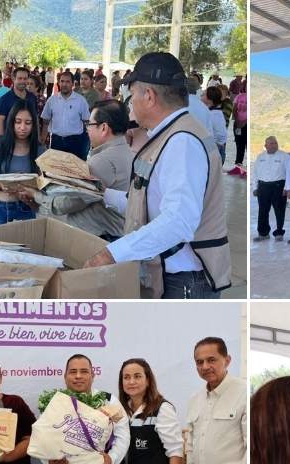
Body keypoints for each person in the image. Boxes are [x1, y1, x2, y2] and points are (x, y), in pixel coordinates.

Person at [82, 52, 232, 300]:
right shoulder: (170, 135)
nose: (129, 105)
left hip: (185, 284)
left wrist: (113, 253)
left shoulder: (181, 141)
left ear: (149, 96)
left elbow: (178, 221)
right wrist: (100, 192)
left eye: (131, 97)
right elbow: (147, 204)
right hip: (174, 278)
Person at [44, 99, 132, 241]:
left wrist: (39, 199)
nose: (87, 129)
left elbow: (73, 201)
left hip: (97, 238)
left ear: (103, 128)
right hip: (114, 234)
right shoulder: (128, 152)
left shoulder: (102, 161)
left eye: (89, 124)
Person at [0, 102, 45, 227]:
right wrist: (4, 185)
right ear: (11, 122)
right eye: (18, 122)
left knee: (25, 246)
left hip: (26, 209)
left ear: (34, 125)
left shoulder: (40, 150)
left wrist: (30, 195)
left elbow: (42, 187)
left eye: (28, 123)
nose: (22, 127)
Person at [39, 70, 90, 161]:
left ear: (72, 83)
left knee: (75, 171)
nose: (64, 84)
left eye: (67, 82)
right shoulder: (52, 100)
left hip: (76, 142)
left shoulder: (81, 101)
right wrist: (43, 139)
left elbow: (87, 121)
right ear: (58, 83)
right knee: (57, 171)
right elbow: (45, 121)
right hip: (56, 141)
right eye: (62, 81)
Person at [251, 135, 289, 242]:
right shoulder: (260, 157)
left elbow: (289, 173)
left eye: (275, 143)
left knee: (279, 210)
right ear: (265, 145)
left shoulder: (284, 156)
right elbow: (255, 173)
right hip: (263, 187)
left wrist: (287, 188)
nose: (273, 145)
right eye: (271, 143)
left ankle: (279, 232)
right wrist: (255, 187)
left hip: (278, 186)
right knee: (263, 211)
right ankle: (263, 233)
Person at [0, 67, 38, 137]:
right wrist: (2, 141)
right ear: (13, 79)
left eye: (25, 79)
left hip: (29, 140)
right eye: (20, 78)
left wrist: (37, 139)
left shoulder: (32, 98)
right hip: (10, 140)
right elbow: (0, 121)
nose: (22, 81)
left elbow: (35, 119)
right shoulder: (4, 99)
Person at [203, 85, 227, 163]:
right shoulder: (213, 112)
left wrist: (211, 148)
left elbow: (221, 135)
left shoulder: (213, 114)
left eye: (204, 94)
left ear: (209, 99)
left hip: (214, 148)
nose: (201, 96)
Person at [231, 81, 247, 175]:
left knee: (246, 145)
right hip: (238, 124)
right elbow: (234, 109)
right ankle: (238, 166)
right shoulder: (239, 96)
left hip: (246, 125)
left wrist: (244, 122)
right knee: (239, 145)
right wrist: (237, 121)